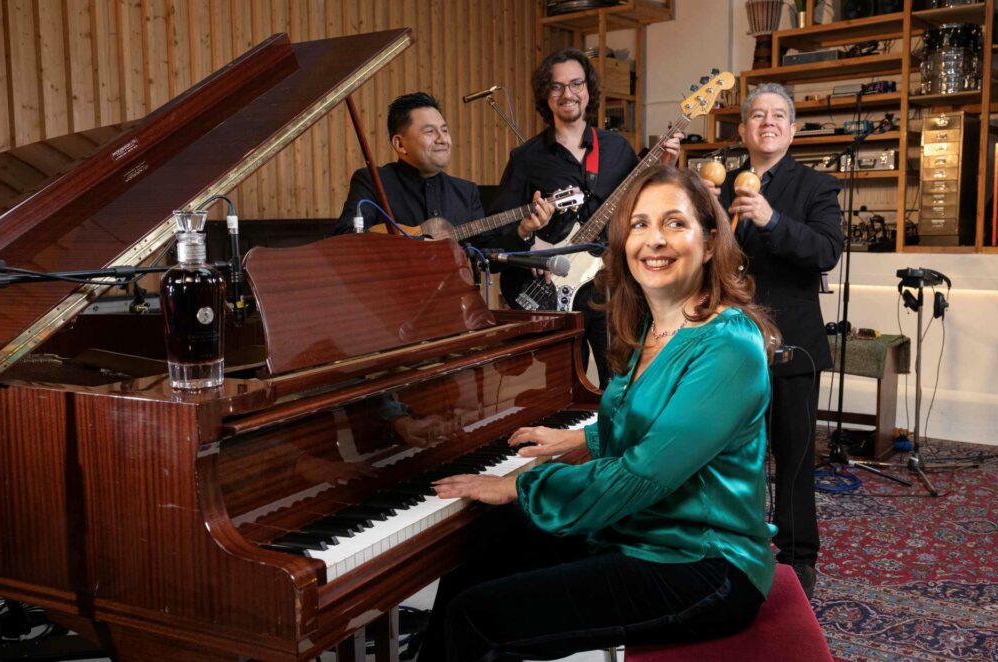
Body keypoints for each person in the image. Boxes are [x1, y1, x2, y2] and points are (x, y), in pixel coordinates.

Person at [417, 165, 780, 661]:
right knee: (480, 552)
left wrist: (518, 485)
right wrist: (577, 442)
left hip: (703, 563)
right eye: (639, 224)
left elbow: (641, 475)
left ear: (712, 242)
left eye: (674, 223)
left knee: (477, 616)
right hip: (636, 531)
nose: (653, 240)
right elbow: (644, 422)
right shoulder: (652, 328)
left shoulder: (729, 345)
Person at [712, 82, 843, 600]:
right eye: (757, 115)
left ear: (791, 129)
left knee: (792, 459)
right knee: (728, 456)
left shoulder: (816, 186)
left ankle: (797, 559)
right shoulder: (718, 186)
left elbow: (826, 250)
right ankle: (732, 549)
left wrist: (771, 220)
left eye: (779, 115)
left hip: (793, 345)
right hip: (726, 346)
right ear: (743, 129)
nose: (768, 122)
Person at [490, 49, 684, 387]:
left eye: (576, 83)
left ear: (588, 90)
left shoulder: (616, 149)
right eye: (557, 86)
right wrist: (528, 242)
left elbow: (644, 206)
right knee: (565, 387)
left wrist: (665, 163)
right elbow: (499, 230)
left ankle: (616, 439)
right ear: (545, 95)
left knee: (622, 383)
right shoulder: (526, 159)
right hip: (553, 293)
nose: (568, 94)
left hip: (609, 288)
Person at [334, 92, 552, 249]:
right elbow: (345, 238)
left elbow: (487, 254)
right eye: (430, 131)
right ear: (400, 145)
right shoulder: (373, 181)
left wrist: (523, 231)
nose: (442, 139)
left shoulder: (466, 192)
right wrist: (415, 244)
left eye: (445, 130)